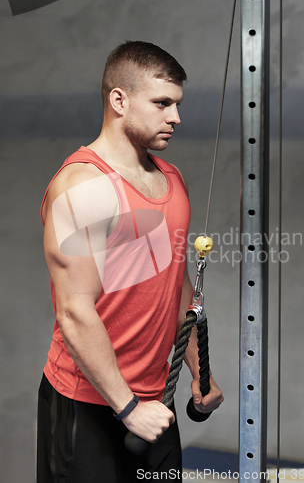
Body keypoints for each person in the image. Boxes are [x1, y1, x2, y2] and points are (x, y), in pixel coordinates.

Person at [37, 40, 223, 483]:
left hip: (156, 400)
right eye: (161, 103)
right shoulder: (82, 188)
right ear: (118, 100)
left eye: (177, 104)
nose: (175, 117)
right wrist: (129, 408)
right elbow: (75, 311)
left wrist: (199, 371)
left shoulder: (171, 181)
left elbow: (174, 287)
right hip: (89, 404)